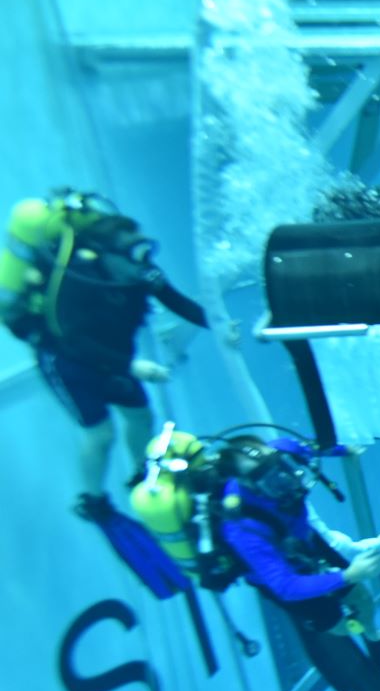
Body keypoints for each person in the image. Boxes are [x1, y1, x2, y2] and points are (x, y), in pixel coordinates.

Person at [0, 189, 223, 500]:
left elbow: (175, 301)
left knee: (141, 417)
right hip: (68, 362)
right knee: (101, 434)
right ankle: (92, 499)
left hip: (114, 359)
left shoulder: (138, 274)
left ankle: (143, 477)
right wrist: (132, 365)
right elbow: (74, 341)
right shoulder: (81, 278)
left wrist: (220, 326)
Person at [217, 437, 380, 691]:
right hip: (285, 573)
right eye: (270, 477)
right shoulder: (243, 528)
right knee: (333, 624)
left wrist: (343, 450)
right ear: (249, 484)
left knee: (361, 597)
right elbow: (286, 586)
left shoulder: (277, 453)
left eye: (280, 467)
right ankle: (350, 656)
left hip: (305, 540)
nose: (283, 478)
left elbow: (309, 447)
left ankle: (373, 636)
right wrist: (347, 575)